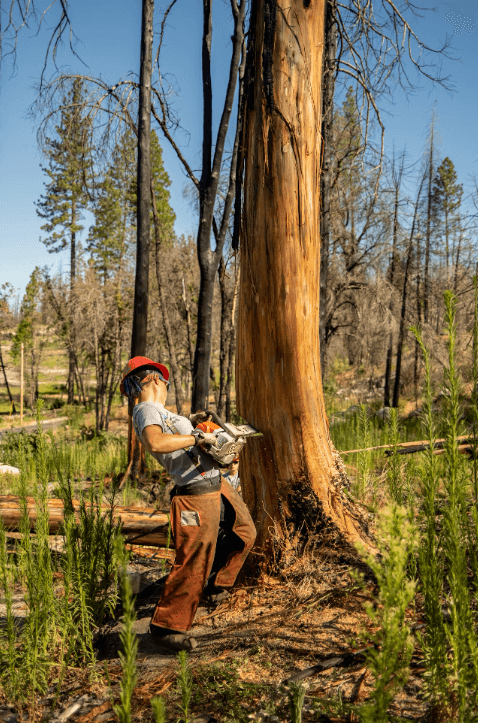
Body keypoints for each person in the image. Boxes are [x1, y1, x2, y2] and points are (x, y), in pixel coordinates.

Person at [120, 356, 256, 651]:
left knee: (244, 532)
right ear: (156, 379)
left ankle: (213, 587)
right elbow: (156, 443)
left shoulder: (164, 412)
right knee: (193, 559)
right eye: (166, 382)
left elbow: (183, 439)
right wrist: (197, 436)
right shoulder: (144, 410)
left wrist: (207, 434)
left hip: (215, 483)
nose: (167, 387)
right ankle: (166, 627)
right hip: (194, 494)